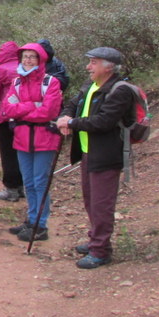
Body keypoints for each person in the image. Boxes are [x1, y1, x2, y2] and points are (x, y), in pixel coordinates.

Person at [57, 47, 137, 269]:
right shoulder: (92, 85)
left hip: (107, 154)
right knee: (90, 200)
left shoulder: (120, 91)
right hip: (88, 152)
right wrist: (66, 116)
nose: (88, 67)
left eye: (93, 62)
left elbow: (104, 121)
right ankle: (96, 240)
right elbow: (74, 104)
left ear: (108, 66)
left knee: (102, 204)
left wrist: (71, 123)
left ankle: (100, 250)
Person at [0, 42, 64, 243]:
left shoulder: (50, 82)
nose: (27, 60)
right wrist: (33, 106)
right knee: (28, 183)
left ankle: (40, 225)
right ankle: (31, 220)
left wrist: (23, 109)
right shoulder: (17, 82)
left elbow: (49, 112)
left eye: (32, 57)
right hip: (22, 139)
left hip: (44, 139)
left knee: (40, 182)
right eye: (25, 57)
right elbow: (7, 109)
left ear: (41, 60)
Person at [0, 41, 24, 202]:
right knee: (22, 151)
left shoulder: (0, 70)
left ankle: (11, 188)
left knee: (8, 153)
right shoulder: (25, 67)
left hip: (5, 115)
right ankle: (23, 186)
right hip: (24, 116)